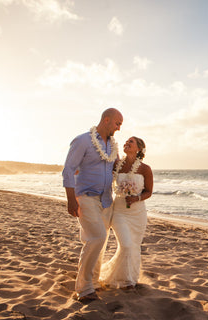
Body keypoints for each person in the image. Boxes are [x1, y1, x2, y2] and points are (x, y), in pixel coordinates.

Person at [62, 108, 123, 302]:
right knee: (97, 237)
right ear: (106, 120)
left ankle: (94, 282)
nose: (119, 128)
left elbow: (117, 167)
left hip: (106, 199)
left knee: (101, 242)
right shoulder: (82, 141)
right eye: (117, 123)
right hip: (86, 197)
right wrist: (71, 199)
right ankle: (84, 288)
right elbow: (68, 170)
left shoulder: (112, 146)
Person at [100, 136, 153, 289]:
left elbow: (149, 192)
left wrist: (136, 198)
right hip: (119, 211)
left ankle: (130, 279)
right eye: (126, 142)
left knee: (134, 245)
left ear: (139, 148)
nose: (126, 143)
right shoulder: (116, 164)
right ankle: (123, 280)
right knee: (126, 245)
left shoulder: (145, 169)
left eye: (131, 142)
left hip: (138, 213)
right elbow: (102, 177)